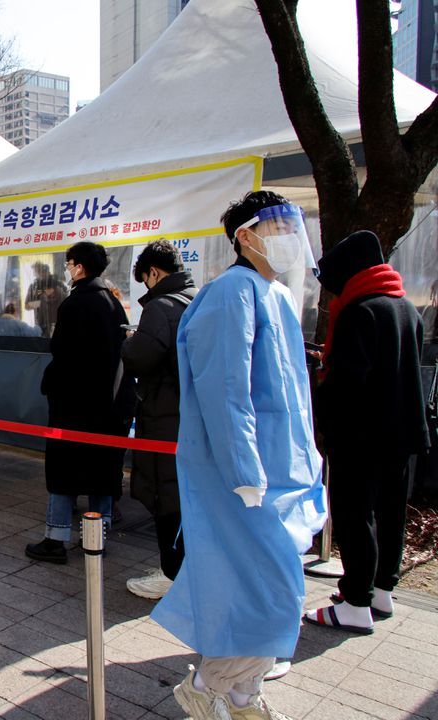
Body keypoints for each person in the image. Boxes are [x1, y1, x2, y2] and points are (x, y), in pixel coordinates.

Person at [150, 191, 326, 720]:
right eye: (277, 227)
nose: (291, 238)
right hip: (245, 479)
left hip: (283, 475)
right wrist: (245, 473)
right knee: (269, 591)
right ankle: (208, 685)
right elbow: (226, 390)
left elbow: (289, 394)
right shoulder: (230, 293)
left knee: (252, 589)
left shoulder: (272, 295)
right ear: (244, 237)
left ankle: (242, 696)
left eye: (293, 225)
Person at [302, 230, 430, 634]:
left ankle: (354, 602)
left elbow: (348, 383)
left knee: (355, 514)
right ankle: (380, 591)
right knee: (390, 512)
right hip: (403, 430)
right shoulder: (406, 308)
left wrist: (323, 400)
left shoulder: (360, 311)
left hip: (361, 436)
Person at [25, 242, 135, 564]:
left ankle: (56, 538)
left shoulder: (75, 304)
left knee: (64, 473)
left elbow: (62, 354)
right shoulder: (114, 303)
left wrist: (52, 386)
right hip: (106, 408)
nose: (68, 269)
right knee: (101, 474)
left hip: (73, 408)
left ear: (80, 268)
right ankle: (95, 539)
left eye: (70, 263)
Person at [121, 240, 196, 600]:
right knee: (190, 497)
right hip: (195, 414)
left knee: (167, 496)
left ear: (154, 273)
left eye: (145, 279)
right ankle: (190, 570)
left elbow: (140, 359)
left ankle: (173, 573)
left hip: (166, 415)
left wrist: (129, 342)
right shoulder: (198, 299)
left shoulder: (160, 307)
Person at [25, 261, 68, 337]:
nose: (37, 274)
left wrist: (56, 292)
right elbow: (27, 306)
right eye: (36, 272)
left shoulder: (58, 284)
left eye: (39, 271)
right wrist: (42, 301)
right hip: (41, 325)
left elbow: (68, 302)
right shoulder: (34, 287)